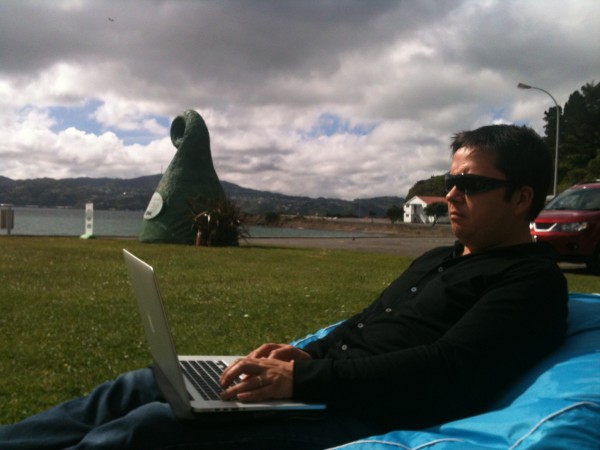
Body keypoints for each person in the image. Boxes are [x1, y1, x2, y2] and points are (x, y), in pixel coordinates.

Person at [0, 124, 568, 449]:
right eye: (450, 181)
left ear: (522, 197)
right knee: (135, 386)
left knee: (148, 429)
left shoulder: (530, 281)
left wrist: (301, 377)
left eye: (469, 184)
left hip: (367, 410)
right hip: (321, 382)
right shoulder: (437, 257)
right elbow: (366, 326)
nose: (450, 195)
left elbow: (446, 368)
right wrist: (306, 353)